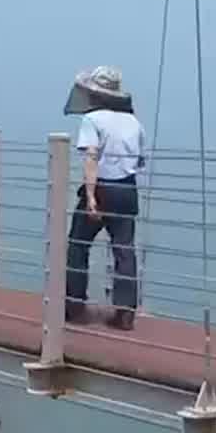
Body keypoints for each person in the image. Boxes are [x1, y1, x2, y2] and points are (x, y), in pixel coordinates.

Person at [62, 66, 144, 331]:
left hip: (102, 188)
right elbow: (138, 161)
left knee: (78, 244)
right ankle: (125, 313)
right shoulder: (134, 122)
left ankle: (74, 306)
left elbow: (91, 158)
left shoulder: (92, 119)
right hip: (127, 189)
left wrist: (90, 196)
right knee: (124, 250)